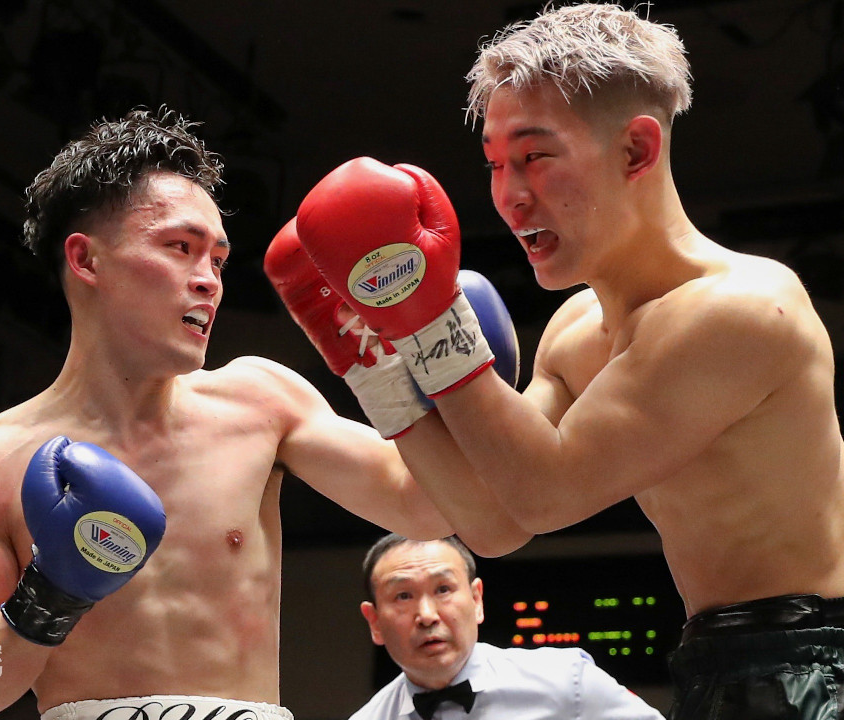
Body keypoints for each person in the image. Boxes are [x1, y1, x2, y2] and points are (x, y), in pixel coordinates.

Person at [287, 4, 844, 718]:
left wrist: (424, 320)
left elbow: (546, 495)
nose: (509, 197)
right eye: (495, 164)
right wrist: (372, 367)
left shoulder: (742, 308)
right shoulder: (576, 329)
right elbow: (495, 521)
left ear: (636, 150)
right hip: (713, 661)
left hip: (814, 666)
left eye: (535, 157)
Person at [0, 106, 460, 720]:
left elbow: (431, 507)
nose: (208, 281)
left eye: (218, 260)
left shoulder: (260, 402)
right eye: (180, 247)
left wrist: (447, 357)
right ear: (87, 260)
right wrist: (52, 594)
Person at [349, 533, 664, 720]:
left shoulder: (567, 680)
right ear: (374, 622)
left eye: (443, 589)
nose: (427, 615)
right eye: (403, 596)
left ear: (476, 600)